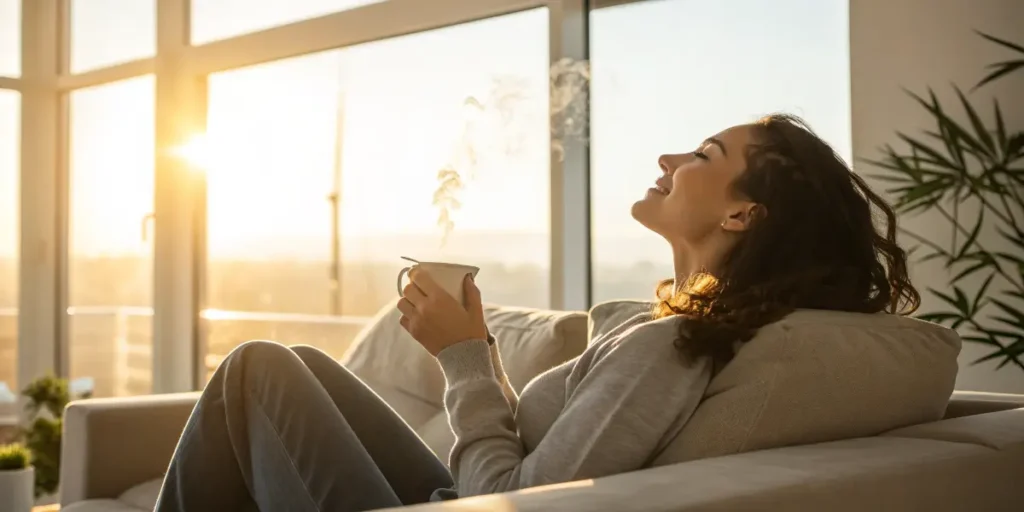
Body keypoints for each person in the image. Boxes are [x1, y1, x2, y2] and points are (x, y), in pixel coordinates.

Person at [154, 113, 936, 511]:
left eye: (702, 156)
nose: (668, 160)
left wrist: (462, 360)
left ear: (743, 217)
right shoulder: (669, 331)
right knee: (296, 367)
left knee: (255, 369)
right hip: (460, 494)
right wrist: (476, 347)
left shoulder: (673, 347)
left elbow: (521, 502)